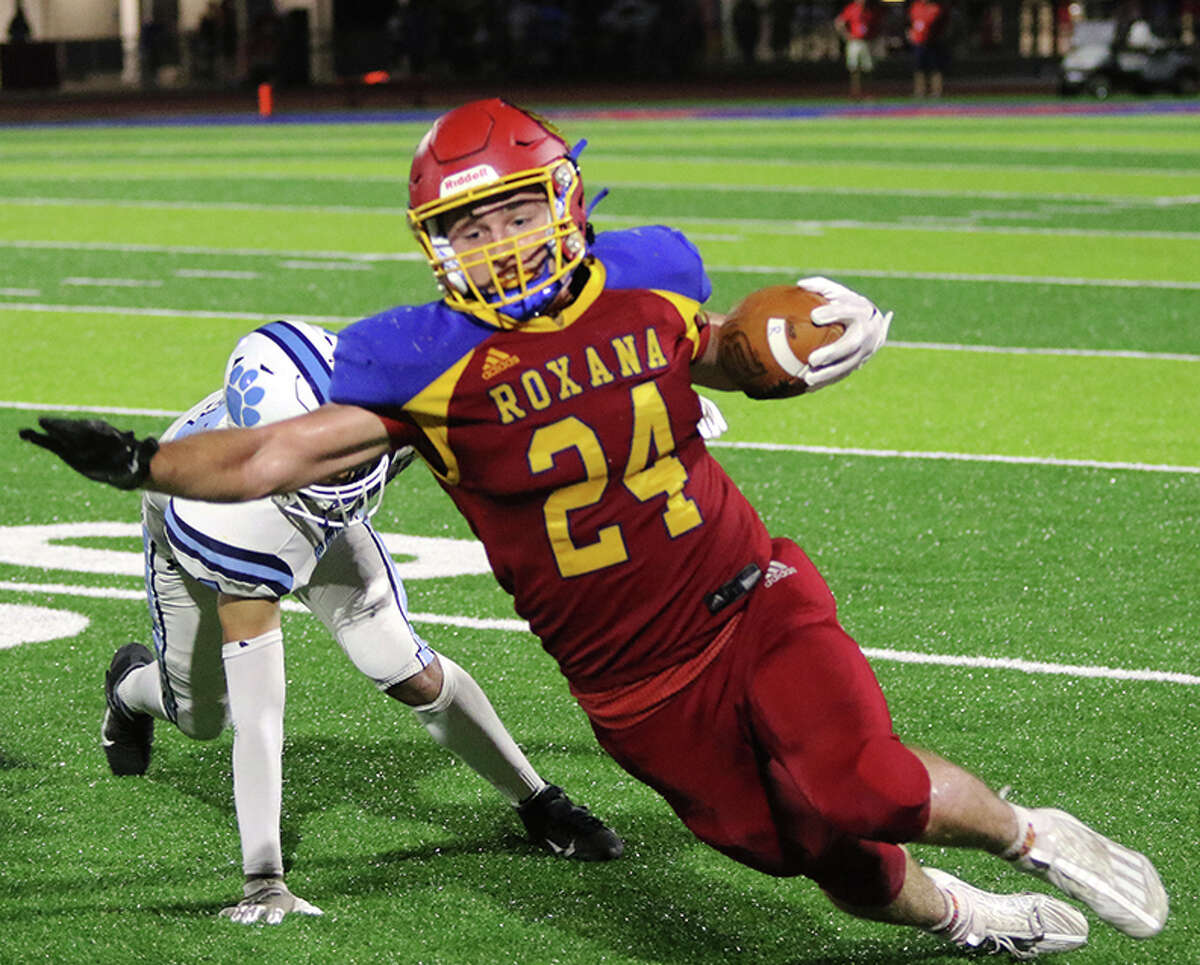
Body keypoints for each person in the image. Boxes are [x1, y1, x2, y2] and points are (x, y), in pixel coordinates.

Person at [23, 99, 1168, 957]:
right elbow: (277, 452)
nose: (504, 242)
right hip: (630, 680)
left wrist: (784, 358)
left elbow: (717, 351)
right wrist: (141, 461)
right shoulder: (415, 356)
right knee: (819, 853)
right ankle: (968, 915)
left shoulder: (652, 271)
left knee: (863, 780)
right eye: (472, 226)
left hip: (746, 591)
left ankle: (1031, 833)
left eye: (520, 208)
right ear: (434, 243)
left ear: (568, 197)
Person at [98, 319, 623, 924]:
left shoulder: (386, 400)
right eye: (317, 455)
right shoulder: (229, 517)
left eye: (339, 441)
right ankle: (130, 688)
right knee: (201, 714)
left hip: (289, 509)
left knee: (408, 669)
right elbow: (261, 716)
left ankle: (539, 803)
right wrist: (263, 880)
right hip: (222, 528)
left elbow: (519, 389)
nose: (344, 467)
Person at [834, 0, 882, 97]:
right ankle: (855, 93)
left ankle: (868, 92)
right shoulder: (851, 8)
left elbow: (877, 25)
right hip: (854, 42)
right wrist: (846, 35)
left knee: (868, 68)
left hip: (867, 42)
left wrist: (874, 37)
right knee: (854, 68)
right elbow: (839, 23)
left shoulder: (870, 10)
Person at [907, 0, 947, 97]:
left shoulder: (936, 7)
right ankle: (919, 91)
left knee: (935, 67)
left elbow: (933, 22)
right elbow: (911, 20)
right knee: (918, 67)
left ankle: (937, 91)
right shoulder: (916, 6)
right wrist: (910, 33)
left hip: (932, 42)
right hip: (919, 42)